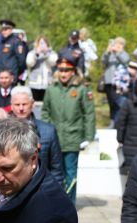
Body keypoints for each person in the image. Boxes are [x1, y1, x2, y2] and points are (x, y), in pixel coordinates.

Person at [41, 56, 95, 203]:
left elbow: (89, 113)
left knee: (70, 174)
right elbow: (45, 111)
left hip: (73, 138)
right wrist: (45, 131)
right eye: (61, 70)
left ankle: (69, 203)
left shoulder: (82, 89)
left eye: (67, 70)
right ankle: (54, 202)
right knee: (53, 173)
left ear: (73, 71)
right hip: (54, 138)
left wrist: (88, 137)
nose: (64, 73)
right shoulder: (51, 89)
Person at [11, 86, 64, 186]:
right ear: (12, 106)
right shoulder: (3, 130)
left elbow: (56, 168)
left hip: (42, 188)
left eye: (24, 104)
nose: (21, 108)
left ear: (32, 104)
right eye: (17, 104)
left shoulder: (48, 131)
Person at [102, 36, 130, 127]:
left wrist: (118, 52)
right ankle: (112, 121)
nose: (117, 46)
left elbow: (125, 60)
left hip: (119, 83)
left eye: (119, 44)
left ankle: (120, 121)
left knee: (119, 102)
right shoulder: (110, 54)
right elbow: (104, 61)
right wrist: (107, 52)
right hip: (108, 81)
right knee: (111, 103)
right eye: (116, 44)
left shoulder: (124, 54)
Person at [25, 35, 57, 102]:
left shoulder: (52, 53)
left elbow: (53, 62)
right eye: (40, 43)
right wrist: (36, 54)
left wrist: (46, 54)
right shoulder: (32, 53)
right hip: (34, 84)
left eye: (44, 43)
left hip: (47, 83)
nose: (42, 45)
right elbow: (29, 63)